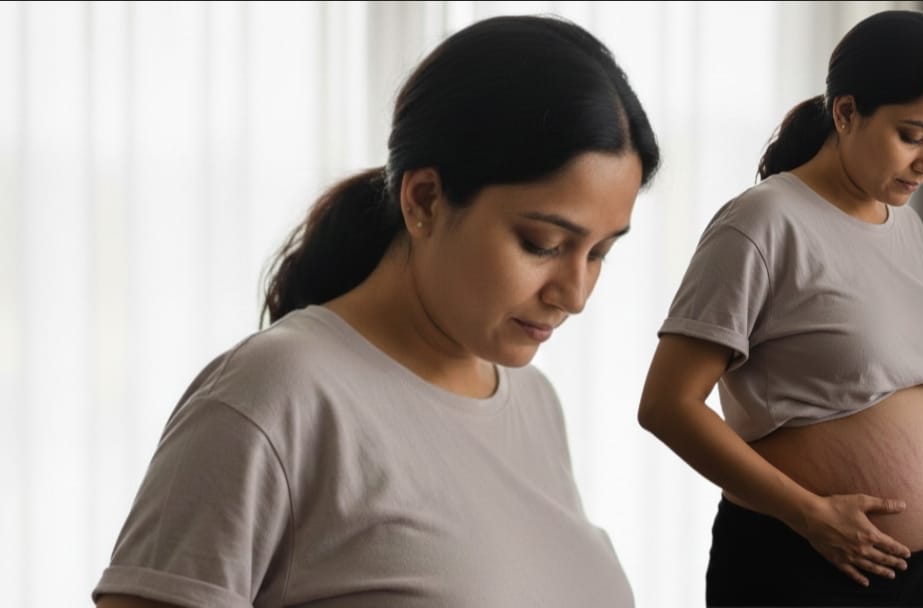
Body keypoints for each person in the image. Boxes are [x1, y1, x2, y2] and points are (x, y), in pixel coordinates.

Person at [92, 14, 659, 608]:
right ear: (425, 200)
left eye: (599, 253)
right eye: (543, 244)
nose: (574, 294)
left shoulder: (534, 402)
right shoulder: (277, 393)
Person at [638, 10, 923, 607]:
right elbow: (666, 406)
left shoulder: (906, 228)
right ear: (846, 113)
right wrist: (811, 514)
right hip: (798, 558)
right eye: (913, 135)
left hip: (906, 570)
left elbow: (889, 386)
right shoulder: (765, 220)